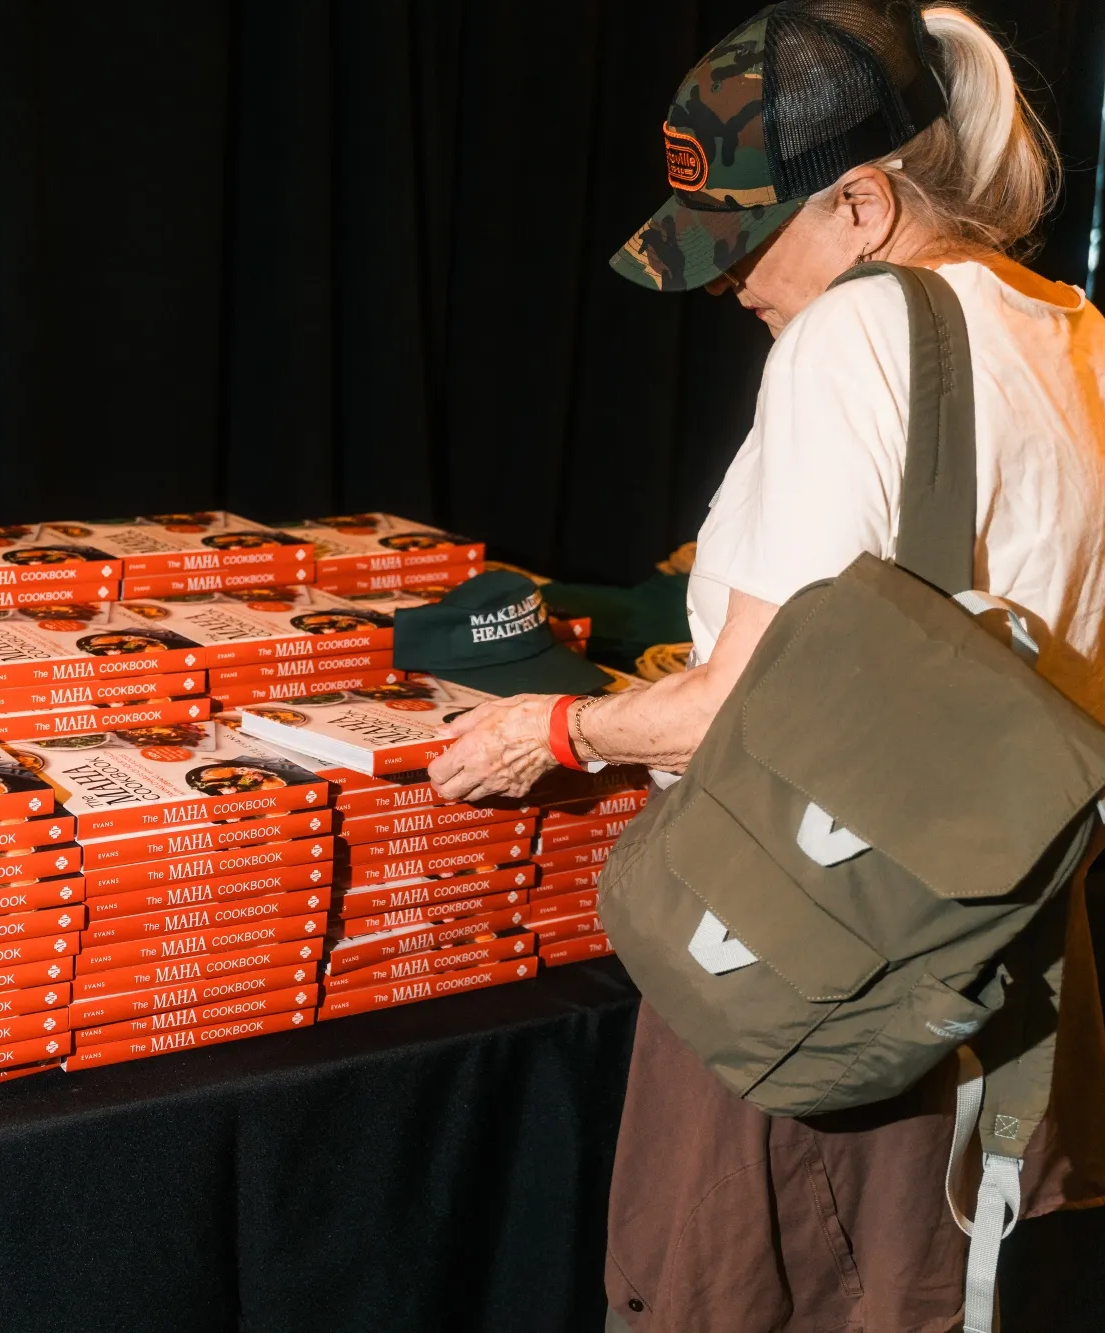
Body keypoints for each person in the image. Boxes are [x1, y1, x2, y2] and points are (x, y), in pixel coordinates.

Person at [425, 3, 1105, 1330]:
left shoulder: (857, 336)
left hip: (820, 959)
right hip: (1006, 962)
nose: (724, 282)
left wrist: (555, 732)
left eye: (743, 240)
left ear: (862, 205)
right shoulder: (1069, 330)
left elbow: (744, 706)